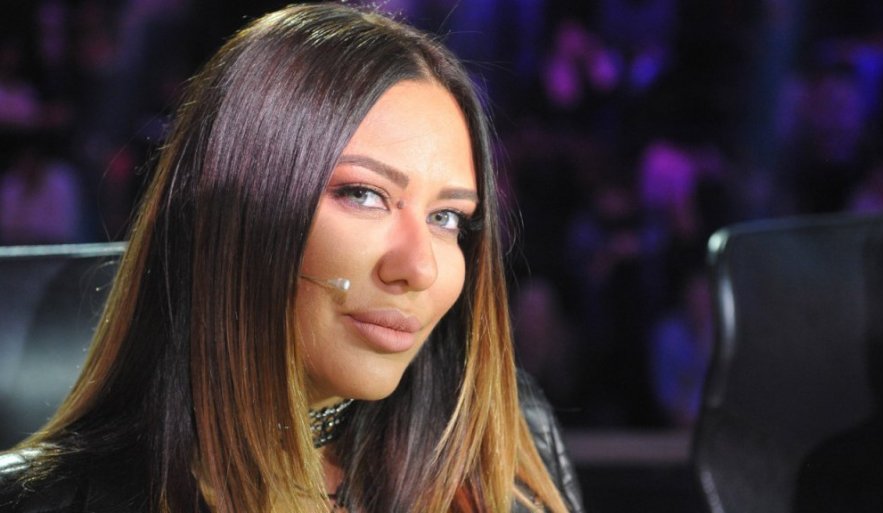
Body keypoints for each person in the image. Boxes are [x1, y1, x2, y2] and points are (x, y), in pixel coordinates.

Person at [0, 4, 584, 513]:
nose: (421, 268)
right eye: (364, 195)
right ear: (235, 215)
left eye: (447, 217)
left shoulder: (501, 450)